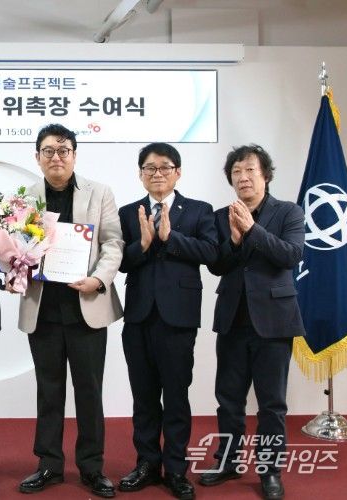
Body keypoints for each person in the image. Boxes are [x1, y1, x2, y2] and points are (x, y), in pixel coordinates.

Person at [17, 124, 124, 498]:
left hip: (86, 307)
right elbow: (15, 250)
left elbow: (113, 243)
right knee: (48, 392)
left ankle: (92, 467)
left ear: (74, 155)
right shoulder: (24, 198)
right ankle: (48, 464)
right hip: (43, 308)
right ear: (37, 157)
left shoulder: (100, 192)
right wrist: (15, 267)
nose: (56, 157)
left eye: (63, 150)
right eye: (48, 151)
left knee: (89, 392)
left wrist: (98, 279)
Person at [199, 145, 305, 500]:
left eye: (250, 171)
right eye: (236, 172)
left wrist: (252, 230)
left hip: (274, 323)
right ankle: (228, 462)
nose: (243, 178)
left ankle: (270, 470)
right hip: (232, 320)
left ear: (266, 176)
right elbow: (217, 265)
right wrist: (233, 239)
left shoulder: (289, 212)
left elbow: (291, 255)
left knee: (272, 404)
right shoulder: (221, 216)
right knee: (228, 400)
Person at [118, 142, 217, 500]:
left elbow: (212, 252)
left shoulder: (199, 210)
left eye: (164, 167)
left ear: (178, 172)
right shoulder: (128, 212)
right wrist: (142, 245)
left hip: (178, 318)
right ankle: (147, 464)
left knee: (176, 396)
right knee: (143, 397)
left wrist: (170, 238)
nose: (157, 173)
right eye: (149, 168)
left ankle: (175, 469)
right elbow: (119, 262)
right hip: (139, 317)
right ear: (140, 174)